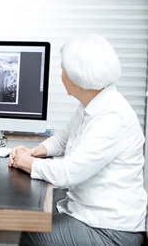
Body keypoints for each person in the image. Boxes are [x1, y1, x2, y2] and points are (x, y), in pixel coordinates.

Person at [9, 35, 147, 246]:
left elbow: (69, 172)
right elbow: (65, 137)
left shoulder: (113, 117)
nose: (61, 74)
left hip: (111, 230)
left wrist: (27, 163)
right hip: (89, 211)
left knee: (32, 231)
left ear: (78, 77)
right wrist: (36, 151)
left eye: (63, 69)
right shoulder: (93, 102)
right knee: (33, 210)